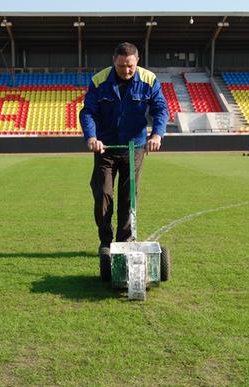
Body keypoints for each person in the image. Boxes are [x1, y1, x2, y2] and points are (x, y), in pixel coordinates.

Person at [79, 42, 169, 253]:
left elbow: (160, 109)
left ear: (137, 61)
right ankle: (106, 241)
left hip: (134, 148)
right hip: (105, 148)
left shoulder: (149, 80)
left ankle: (124, 243)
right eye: (121, 66)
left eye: (130, 66)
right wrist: (91, 137)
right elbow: (88, 112)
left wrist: (156, 134)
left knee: (129, 197)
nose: (126, 70)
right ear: (114, 61)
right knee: (102, 194)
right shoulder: (99, 80)